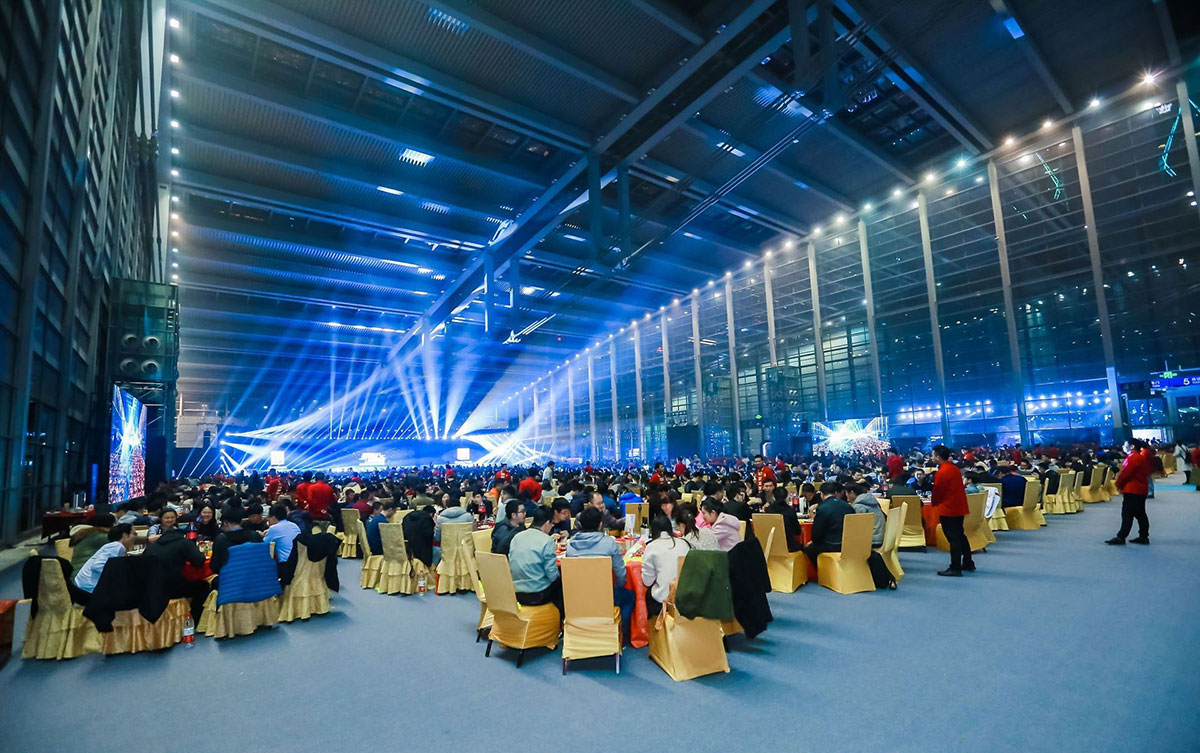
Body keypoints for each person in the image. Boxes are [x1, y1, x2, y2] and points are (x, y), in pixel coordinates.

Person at [566, 506, 635, 628]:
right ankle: (621, 632)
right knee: (630, 597)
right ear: (600, 524)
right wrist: (618, 587)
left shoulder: (570, 545)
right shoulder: (609, 543)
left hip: (578, 596)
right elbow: (621, 574)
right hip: (605, 596)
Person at [507, 505, 562, 614]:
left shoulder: (517, 537)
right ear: (547, 523)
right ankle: (559, 619)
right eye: (552, 524)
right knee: (562, 587)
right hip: (537, 593)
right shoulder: (547, 541)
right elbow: (552, 574)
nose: (552, 527)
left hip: (516, 591)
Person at [931, 445, 974, 576]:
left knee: (953, 539)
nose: (931, 457)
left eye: (933, 455)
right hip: (958, 507)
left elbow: (938, 491)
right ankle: (968, 562)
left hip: (948, 509)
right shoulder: (954, 469)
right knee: (960, 535)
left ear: (938, 457)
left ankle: (955, 567)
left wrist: (934, 503)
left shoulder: (942, 472)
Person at [1107, 439, 1153, 545]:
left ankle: (1121, 536)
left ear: (1132, 446)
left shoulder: (1134, 457)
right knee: (1140, 514)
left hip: (1133, 489)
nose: (1123, 446)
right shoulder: (1138, 457)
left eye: (1125, 445)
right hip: (1140, 489)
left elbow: (1126, 473)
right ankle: (1143, 536)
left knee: (1127, 514)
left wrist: (1118, 484)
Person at [641, 513, 689, 616]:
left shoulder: (652, 547)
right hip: (686, 598)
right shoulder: (684, 543)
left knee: (646, 595)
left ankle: (655, 625)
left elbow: (647, 581)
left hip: (663, 600)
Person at [73, 523, 135, 593]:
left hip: (84, 586)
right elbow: (97, 566)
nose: (135, 537)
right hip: (89, 588)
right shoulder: (117, 546)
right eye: (134, 534)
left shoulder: (115, 546)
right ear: (125, 535)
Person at [804, 482, 853, 566]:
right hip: (847, 544)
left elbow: (816, 536)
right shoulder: (847, 506)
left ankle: (823, 569)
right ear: (835, 493)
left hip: (831, 545)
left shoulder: (822, 508)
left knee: (809, 549)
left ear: (821, 494)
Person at [210, 506, 263, 576]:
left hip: (230, 578)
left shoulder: (221, 539)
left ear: (225, 523)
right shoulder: (255, 535)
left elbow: (215, 567)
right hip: (256, 576)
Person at [762, 485, 803, 552]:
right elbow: (797, 531)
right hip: (788, 545)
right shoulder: (790, 511)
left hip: (771, 545)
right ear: (786, 497)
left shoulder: (768, 510)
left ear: (774, 497)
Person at [433, 497, 474, 564]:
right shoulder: (468, 517)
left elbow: (437, 539)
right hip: (466, 551)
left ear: (447, 506)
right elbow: (474, 534)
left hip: (447, 552)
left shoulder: (441, 519)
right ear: (460, 505)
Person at [846, 483, 885, 548]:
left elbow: (858, 528)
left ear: (852, 493)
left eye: (846, 493)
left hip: (872, 540)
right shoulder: (871, 501)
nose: (846, 496)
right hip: (880, 536)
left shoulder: (859, 506)